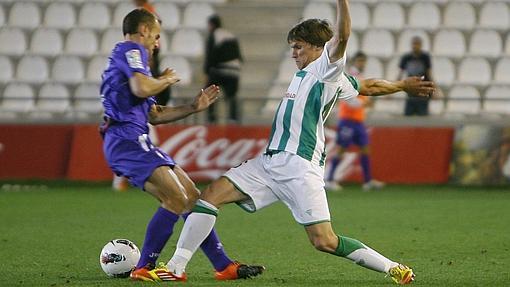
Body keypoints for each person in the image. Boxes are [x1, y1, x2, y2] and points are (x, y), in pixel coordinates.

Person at [163, 0, 435, 284]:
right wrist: (401, 85)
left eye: (299, 47)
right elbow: (369, 86)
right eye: (293, 46)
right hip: (269, 163)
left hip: (299, 167)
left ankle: (393, 268)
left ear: (319, 49)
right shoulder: (316, 76)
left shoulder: (325, 69)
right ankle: (175, 268)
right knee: (208, 197)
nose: (293, 52)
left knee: (324, 241)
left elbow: (342, 36)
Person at [100, 8, 264, 282]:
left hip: (136, 138)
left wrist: (193, 107)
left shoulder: (135, 62)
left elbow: (154, 114)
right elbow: (142, 88)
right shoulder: (132, 49)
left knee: (191, 197)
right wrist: (165, 79)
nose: (157, 42)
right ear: (143, 32)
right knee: (176, 198)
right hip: (126, 140)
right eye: (155, 35)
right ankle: (144, 267)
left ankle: (223, 266)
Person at [325, 51, 384, 191]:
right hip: (347, 119)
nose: (362, 64)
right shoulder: (349, 76)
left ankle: (367, 181)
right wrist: (365, 104)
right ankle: (329, 179)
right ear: (354, 62)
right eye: (360, 61)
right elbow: (348, 98)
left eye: (363, 61)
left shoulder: (360, 77)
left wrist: (367, 103)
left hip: (358, 120)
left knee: (365, 149)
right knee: (341, 149)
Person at [204, 14, 243, 123]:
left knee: (210, 91)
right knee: (232, 95)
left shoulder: (214, 35)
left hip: (220, 69)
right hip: (235, 70)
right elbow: (239, 55)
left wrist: (207, 72)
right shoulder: (230, 35)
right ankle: (233, 118)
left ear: (211, 25)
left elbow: (210, 56)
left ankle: (211, 117)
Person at [397, 36, 434, 116]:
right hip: (411, 89)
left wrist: (435, 90)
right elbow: (400, 74)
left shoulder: (425, 57)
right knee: (408, 115)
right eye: (414, 44)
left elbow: (429, 74)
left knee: (423, 114)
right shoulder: (406, 58)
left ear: (421, 45)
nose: (415, 46)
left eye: (417, 44)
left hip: (423, 89)